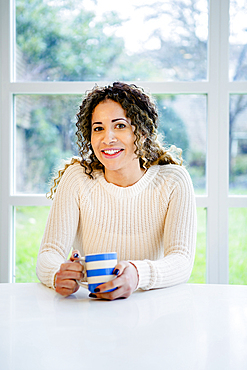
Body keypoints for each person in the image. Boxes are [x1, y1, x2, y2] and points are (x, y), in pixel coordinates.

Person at [36, 82, 197, 300]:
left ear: (141, 133)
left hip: (151, 307)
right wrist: (58, 273)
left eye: (120, 126)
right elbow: (49, 253)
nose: (107, 138)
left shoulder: (173, 181)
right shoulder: (77, 178)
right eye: (98, 128)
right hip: (88, 307)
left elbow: (181, 260)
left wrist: (138, 274)